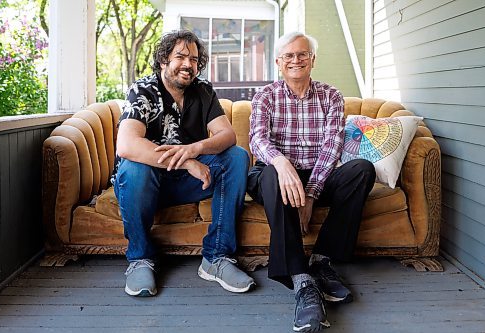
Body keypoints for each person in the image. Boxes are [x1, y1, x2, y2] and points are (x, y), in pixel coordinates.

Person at [248, 32, 376, 332]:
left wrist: (312, 194)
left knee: (362, 170)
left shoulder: (331, 95)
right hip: (272, 170)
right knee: (271, 175)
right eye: (289, 56)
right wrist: (281, 164)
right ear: (279, 62)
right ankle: (301, 279)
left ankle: (321, 261)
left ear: (312, 60)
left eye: (302, 54)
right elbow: (257, 140)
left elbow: (332, 146)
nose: (296, 60)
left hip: (317, 172)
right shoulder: (265, 95)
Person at [112, 30, 255, 297]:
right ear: (164, 60)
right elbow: (127, 144)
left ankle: (216, 257)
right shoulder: (143, 90)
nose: (188, 64)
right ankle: (140, 259)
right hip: (145, 185)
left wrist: (196, 148)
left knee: (237, 156)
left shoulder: (202, 91)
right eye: (180, 56)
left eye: (194, 59)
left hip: (192, 183)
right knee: (133, 167)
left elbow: (227, 135)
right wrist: (187, 161)